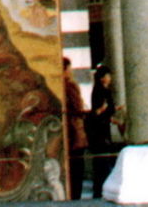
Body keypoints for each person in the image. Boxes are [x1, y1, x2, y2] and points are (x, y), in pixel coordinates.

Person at [88, 64, 117, 197]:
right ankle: (100, 189)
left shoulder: (100, 90)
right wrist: (105, 110)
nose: (110, 78)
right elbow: (99, 112)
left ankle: (99, 189)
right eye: (107, 76)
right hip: (100, 131)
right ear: (102, 78)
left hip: (102, 129)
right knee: (102, 161)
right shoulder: (101, 92)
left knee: (102, 162)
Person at [63, 57, 88, 200]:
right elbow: (78, 107)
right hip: (74, 132)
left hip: (66, 132)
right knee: (77, 169)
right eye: (69, 69)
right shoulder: (70, 86)